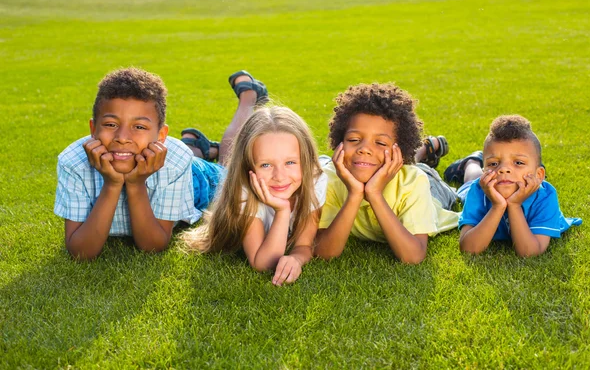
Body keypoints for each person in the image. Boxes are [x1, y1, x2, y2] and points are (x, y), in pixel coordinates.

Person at [54, 68, 266, 260]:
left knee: (230, 168)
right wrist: (112, 184)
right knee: (160, 151)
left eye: (139, 127)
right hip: (162, 157)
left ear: (161, 135)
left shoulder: (175, 162)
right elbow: (81, 252)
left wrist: (136, 184)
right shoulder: (73, 162)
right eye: (111, 124)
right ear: (93, 128)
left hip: (195, 180)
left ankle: (249, 96)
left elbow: (153, 245)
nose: (122, 137)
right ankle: (198, 147)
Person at [314, 83, 459, 264]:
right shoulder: (329, 179)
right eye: (354, 139)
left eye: (381, 143)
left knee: (462, 192)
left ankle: (465, 164)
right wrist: (355, 194)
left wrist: (374, 194)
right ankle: (426, 149)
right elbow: (324, 253)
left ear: (401, 149)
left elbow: (413, 256)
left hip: (432, 189)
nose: (364, 149)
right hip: (386, 167)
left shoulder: (414, 183)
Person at [183, 106, 327, 286]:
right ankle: (200, 146)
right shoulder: (244, 187)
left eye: (290, 162)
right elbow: (263, 263)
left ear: (305, 161)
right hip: (211, 178)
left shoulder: (315, 179)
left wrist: (296, 259)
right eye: (266, 165)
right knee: (218, 169)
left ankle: (208, 148)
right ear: (248, 168)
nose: (280, 176)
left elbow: (304, 245)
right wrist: (282, 210)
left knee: (222, 164)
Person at [443, 114, 582, 257]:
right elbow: (468, 249)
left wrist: (514, 205)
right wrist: (498, 206)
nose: (503, 169)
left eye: (518, 162)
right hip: (479, 184)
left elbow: (530, 252)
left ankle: (482, 161)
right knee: (471, 180)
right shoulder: (478, 191)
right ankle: (471, 162)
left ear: (539, 175)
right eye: (493, 163)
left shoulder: (545, 197)